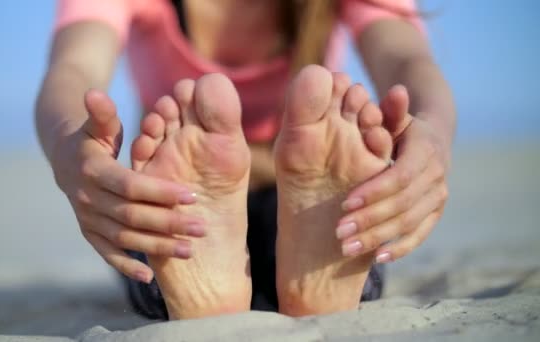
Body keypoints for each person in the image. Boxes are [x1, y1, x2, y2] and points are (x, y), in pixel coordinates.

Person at [35, 0, 455, 320]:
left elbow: (406, 59)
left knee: (168, 236)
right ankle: (321, 283)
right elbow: (74, 69)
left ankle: (202, 294)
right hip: (186, 191)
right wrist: (70, 147)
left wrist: (432, 133)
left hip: (294, 191)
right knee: (156, 218)